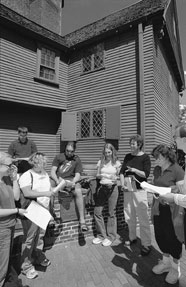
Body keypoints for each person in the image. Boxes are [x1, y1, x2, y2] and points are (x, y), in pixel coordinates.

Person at [19, 152, 64, 280]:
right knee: (29, 239)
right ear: (34, 162)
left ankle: (37, 258)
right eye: (41, 162)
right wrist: (47, 193)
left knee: (39, 237)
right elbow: (27, 192)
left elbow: (49, 191)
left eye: (44, 162)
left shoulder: (44, 174)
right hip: (31, 211)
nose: (43, 164)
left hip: (43, 211)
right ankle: (26, 266)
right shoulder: (27, 175)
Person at [150, 144, 184, 284]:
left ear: (165, 156)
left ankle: (176, 268)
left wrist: (169, 190)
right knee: (160, 235)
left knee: (173, 238)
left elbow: (182, 191)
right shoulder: (157, 169)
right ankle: (165, 263)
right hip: (158, 208)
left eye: (157, 157)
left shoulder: (177, 170)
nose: (155, 160)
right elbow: (154, 184)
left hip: (172, 211)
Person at [119, 134, 152, 256]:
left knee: (143, 218)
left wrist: (134, 170)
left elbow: (146, 174)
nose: (131, 146)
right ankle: (132, 237)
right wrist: (122, 184)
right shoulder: (128, 156)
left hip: (140, 191)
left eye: (133, 144)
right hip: (128, 190)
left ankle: (146, 244)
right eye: (130, 143)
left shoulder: (145, 158)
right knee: (129, 216)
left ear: (139, 145)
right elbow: (121, 172)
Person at [0, 152, 26, 287]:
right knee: (2, 268)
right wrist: (16, 211)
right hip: (2, 228)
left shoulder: (7, 178)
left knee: (5, 263)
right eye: (9, 165)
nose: (12, 168)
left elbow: (16, 198)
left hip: (10, 225)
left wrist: (15, 179)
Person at [50, 141, 88, 233]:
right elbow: (52, 172)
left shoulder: (77, 159)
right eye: (67, 151)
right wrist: (57, 181)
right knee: (50, 188)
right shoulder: (59, 157)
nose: (69, 153)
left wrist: (73, 182)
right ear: (65, 149)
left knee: (78, 191)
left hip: (70, 180)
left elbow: (78, 175)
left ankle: (82, 221)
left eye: (71, 151)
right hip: (58, 179)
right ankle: (50, 216)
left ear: (74, 151)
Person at [92, 143, 121, 247]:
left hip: (112, 188)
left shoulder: (116, 163)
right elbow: (97, 175)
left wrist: (114, 178)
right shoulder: (100, 162)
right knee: (97, 212)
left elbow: (119, 176)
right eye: (105, 152)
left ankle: (111, 236)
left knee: (111, 213)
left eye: (109, 152)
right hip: (102, 188)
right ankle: (101, 235)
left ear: (112, 152)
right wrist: (101, 175)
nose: (107, 154)